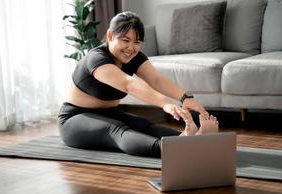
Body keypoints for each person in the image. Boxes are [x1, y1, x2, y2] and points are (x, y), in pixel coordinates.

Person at [58, 11, 219, 158]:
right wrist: (166, 104)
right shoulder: (97, 59)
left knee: (144, 125)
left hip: (110, 113)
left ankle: (189, 141)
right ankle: (169, 148)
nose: (131, 48)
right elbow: (128, 84)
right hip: (74, 119)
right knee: (116, 130)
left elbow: (156, 79)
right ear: (110, 36)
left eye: (137, 42)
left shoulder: (133, 57)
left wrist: (185, 98)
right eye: (125, 40)